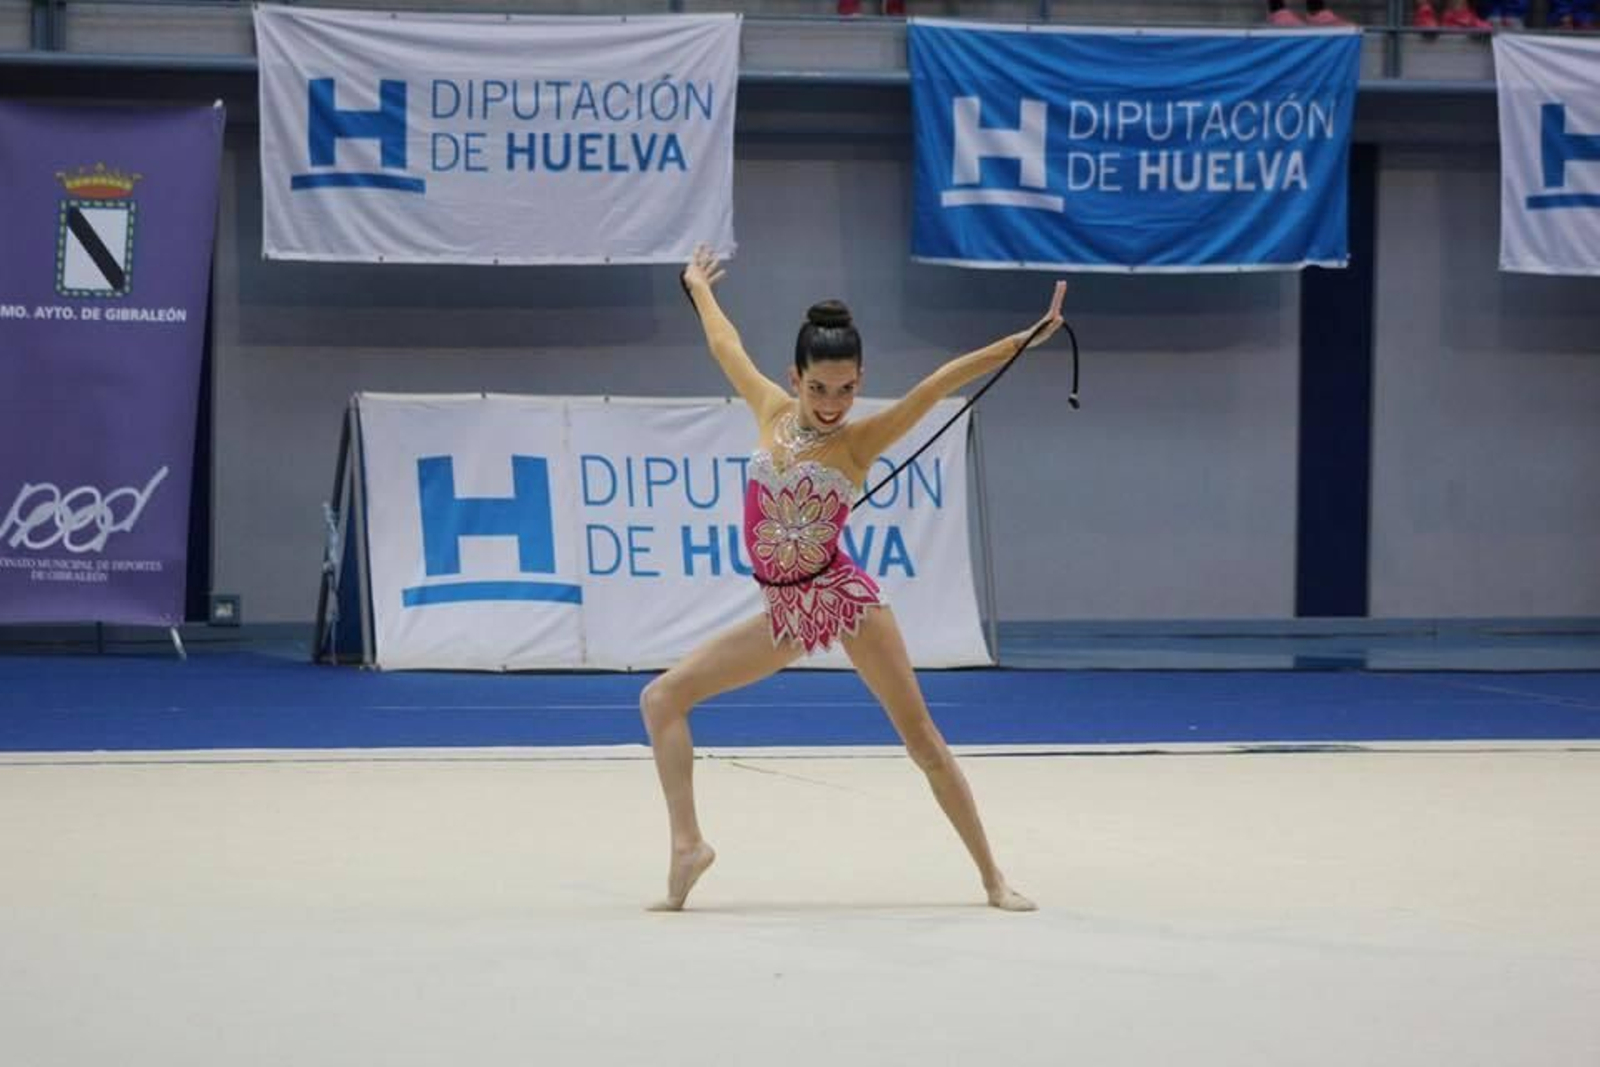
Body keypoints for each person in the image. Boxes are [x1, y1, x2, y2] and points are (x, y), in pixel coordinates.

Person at [639, 243, 1064, 913]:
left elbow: (939, 383)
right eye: (818, 387)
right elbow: (726, 345)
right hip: (786, 612)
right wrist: (697, 286)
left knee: (921, 738)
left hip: (842, 600)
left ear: (860, 378)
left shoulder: (860, 442)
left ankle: (992, 877)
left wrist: (1019, 340)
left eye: (846, 388)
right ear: (795, 376)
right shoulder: (772, 409)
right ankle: (687, 846)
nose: (833, 402)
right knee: (662, 699)